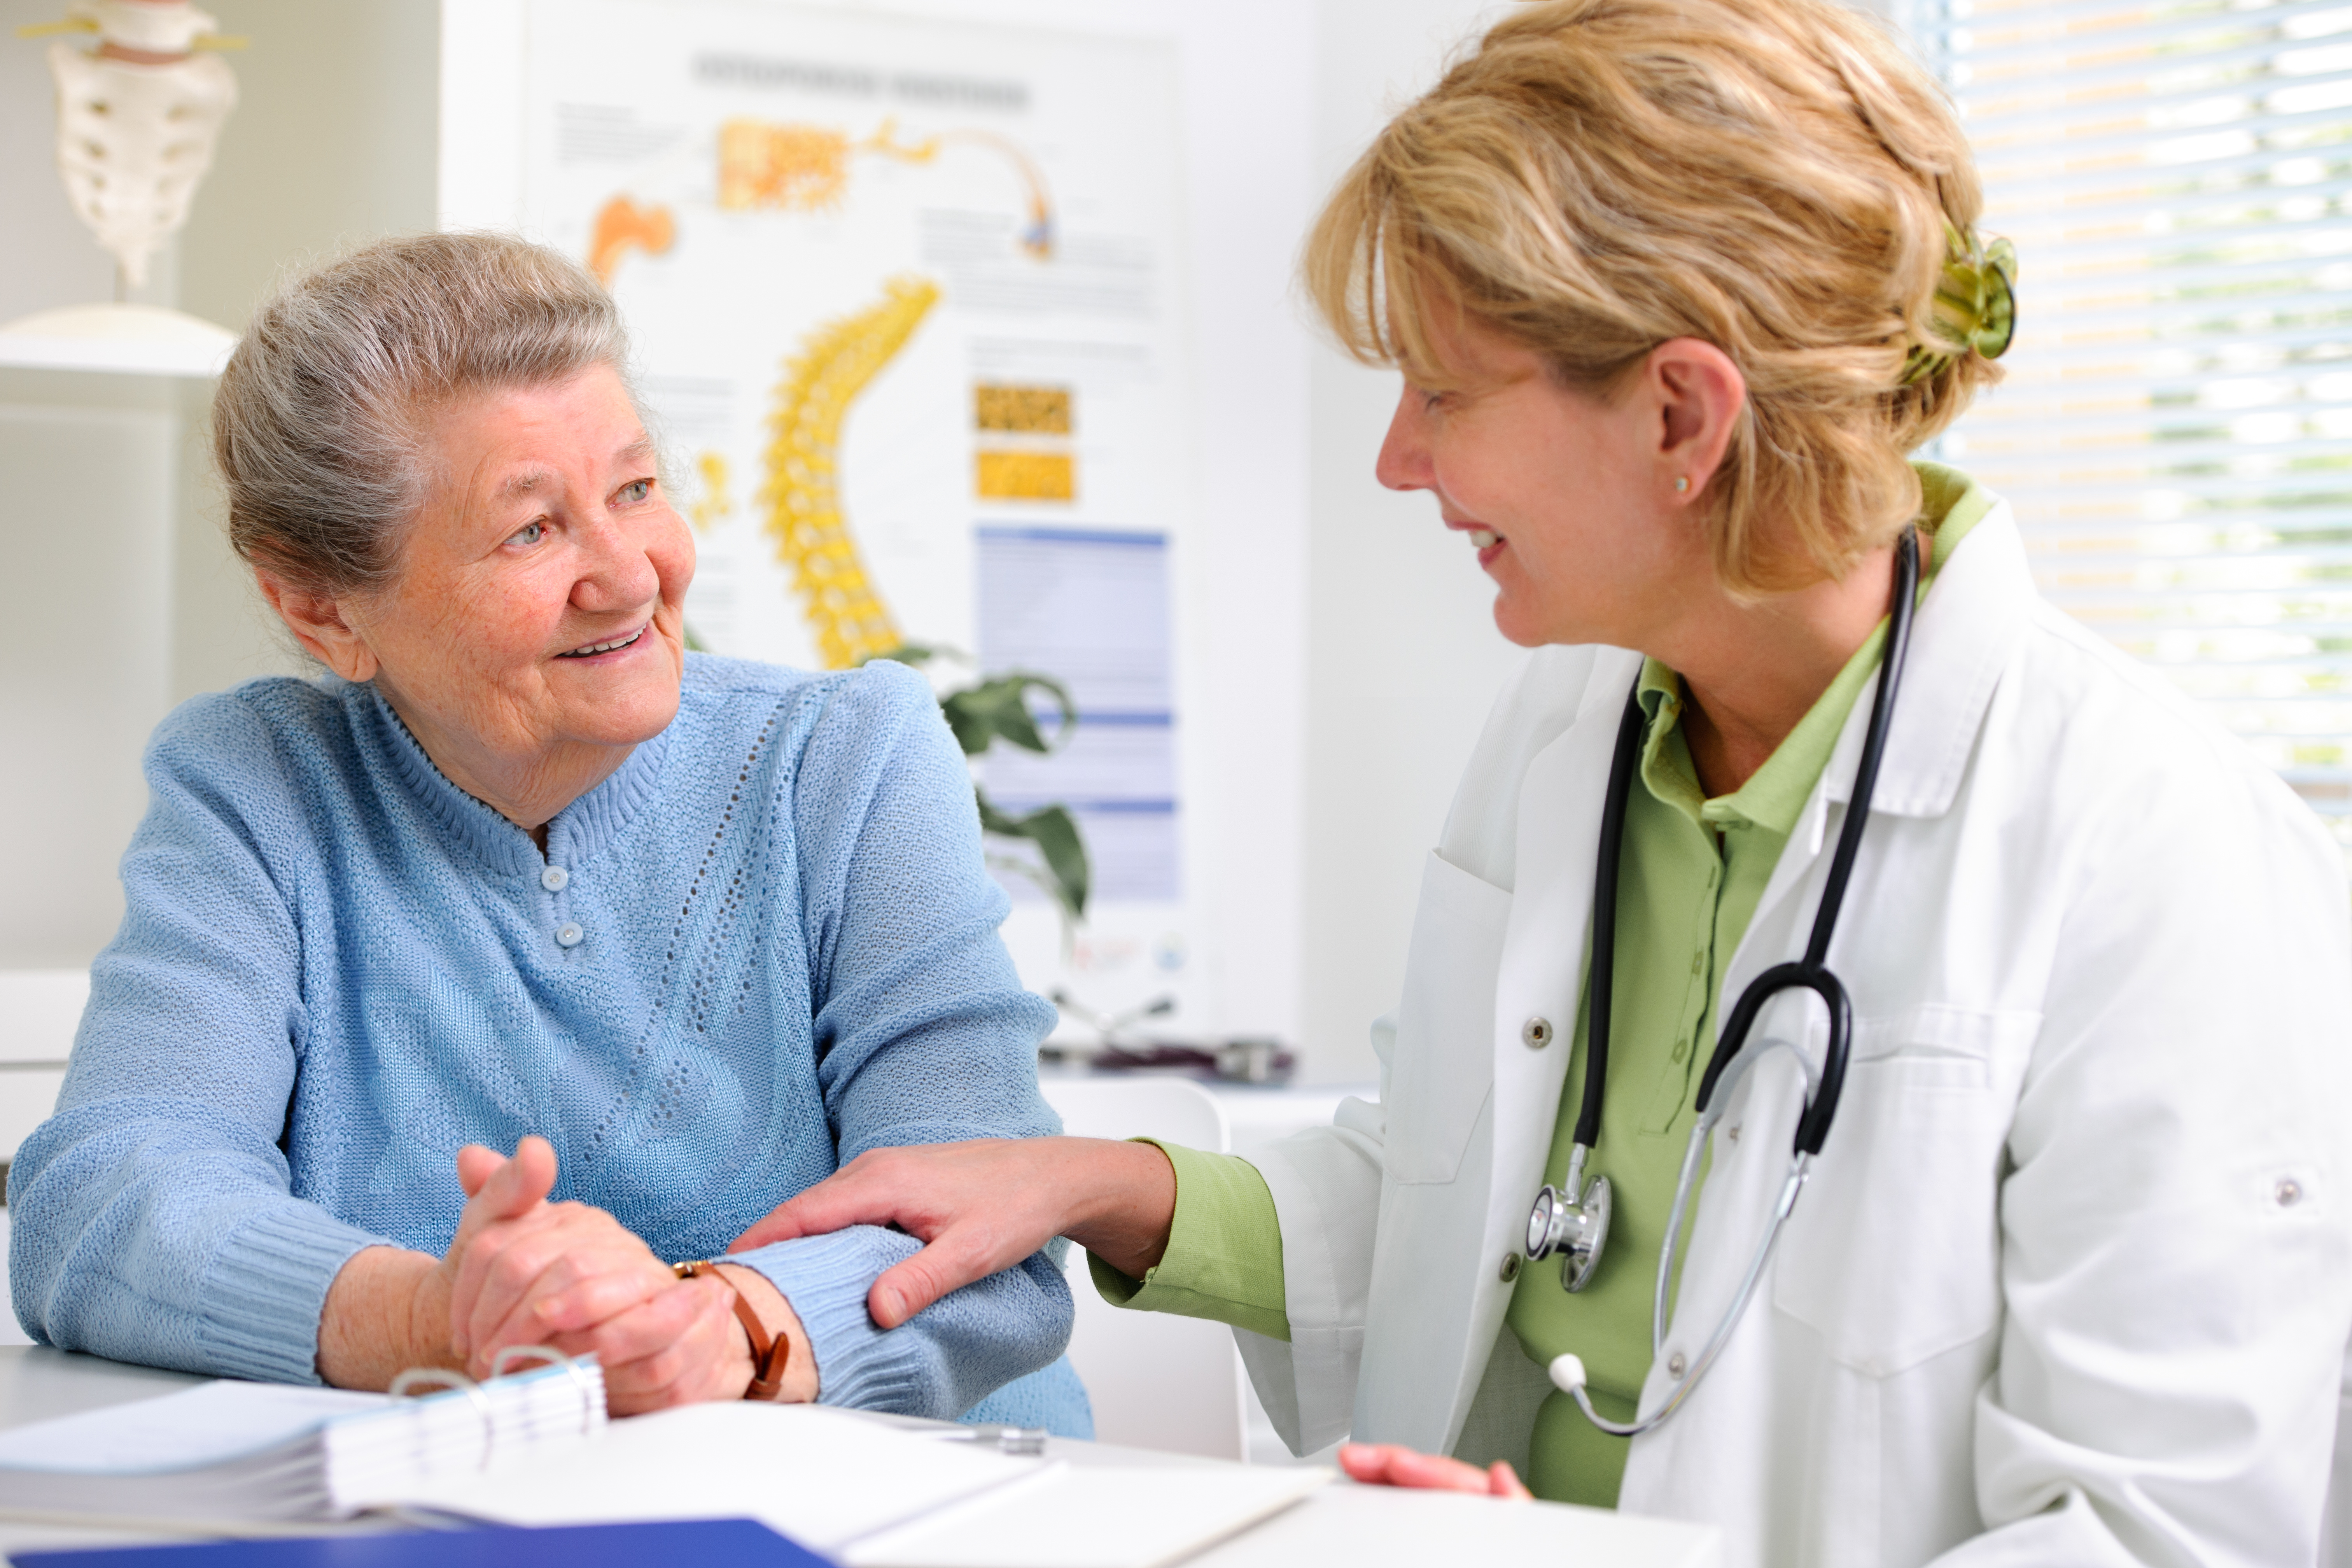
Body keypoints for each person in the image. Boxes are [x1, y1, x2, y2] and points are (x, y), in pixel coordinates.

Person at [733, 0, 2352, 1559]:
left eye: (1443, 391)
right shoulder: (1576, 724)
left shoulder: (2160, 854)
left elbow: (2159, 1535)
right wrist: (1102, 1187)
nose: (1397, 459)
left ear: (1680, 414)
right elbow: (1484, 1220)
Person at [8, 232, 1087, 1433]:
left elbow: (989, 1233)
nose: (629, 576)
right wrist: (436, 1321)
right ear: (319, 609)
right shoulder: (258, 788)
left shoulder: (848, 757)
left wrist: (718, 1331)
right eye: (533, 530)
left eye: (635, 490)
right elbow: (104, 1202)